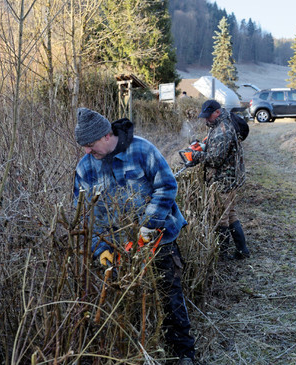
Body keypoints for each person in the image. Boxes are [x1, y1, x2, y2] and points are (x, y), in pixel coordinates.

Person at [72, 107, 196, 364]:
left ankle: (184, 353)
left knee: (169, 296)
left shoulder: (143, 150)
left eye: (90, 144)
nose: (86, 151)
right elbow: (85, 214)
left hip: (160, 238)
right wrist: (98, 248)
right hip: (119, 247)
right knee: (127, 302)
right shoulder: (85, 168)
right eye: (83, 145)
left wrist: (149, 225)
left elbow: (167, 185)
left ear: (107, 135)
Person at [191, 100, 250, 259]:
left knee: (220, 217)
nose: (206, 120)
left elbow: (215, 160)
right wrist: (204, 146)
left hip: (223, 181)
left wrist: (195, 155)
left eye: (208, 116)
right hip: (228, 179)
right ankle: (242, 251)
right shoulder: (219, 125)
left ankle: (221, 255)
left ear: (217, 112)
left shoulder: (223, 130)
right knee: (230, 214)